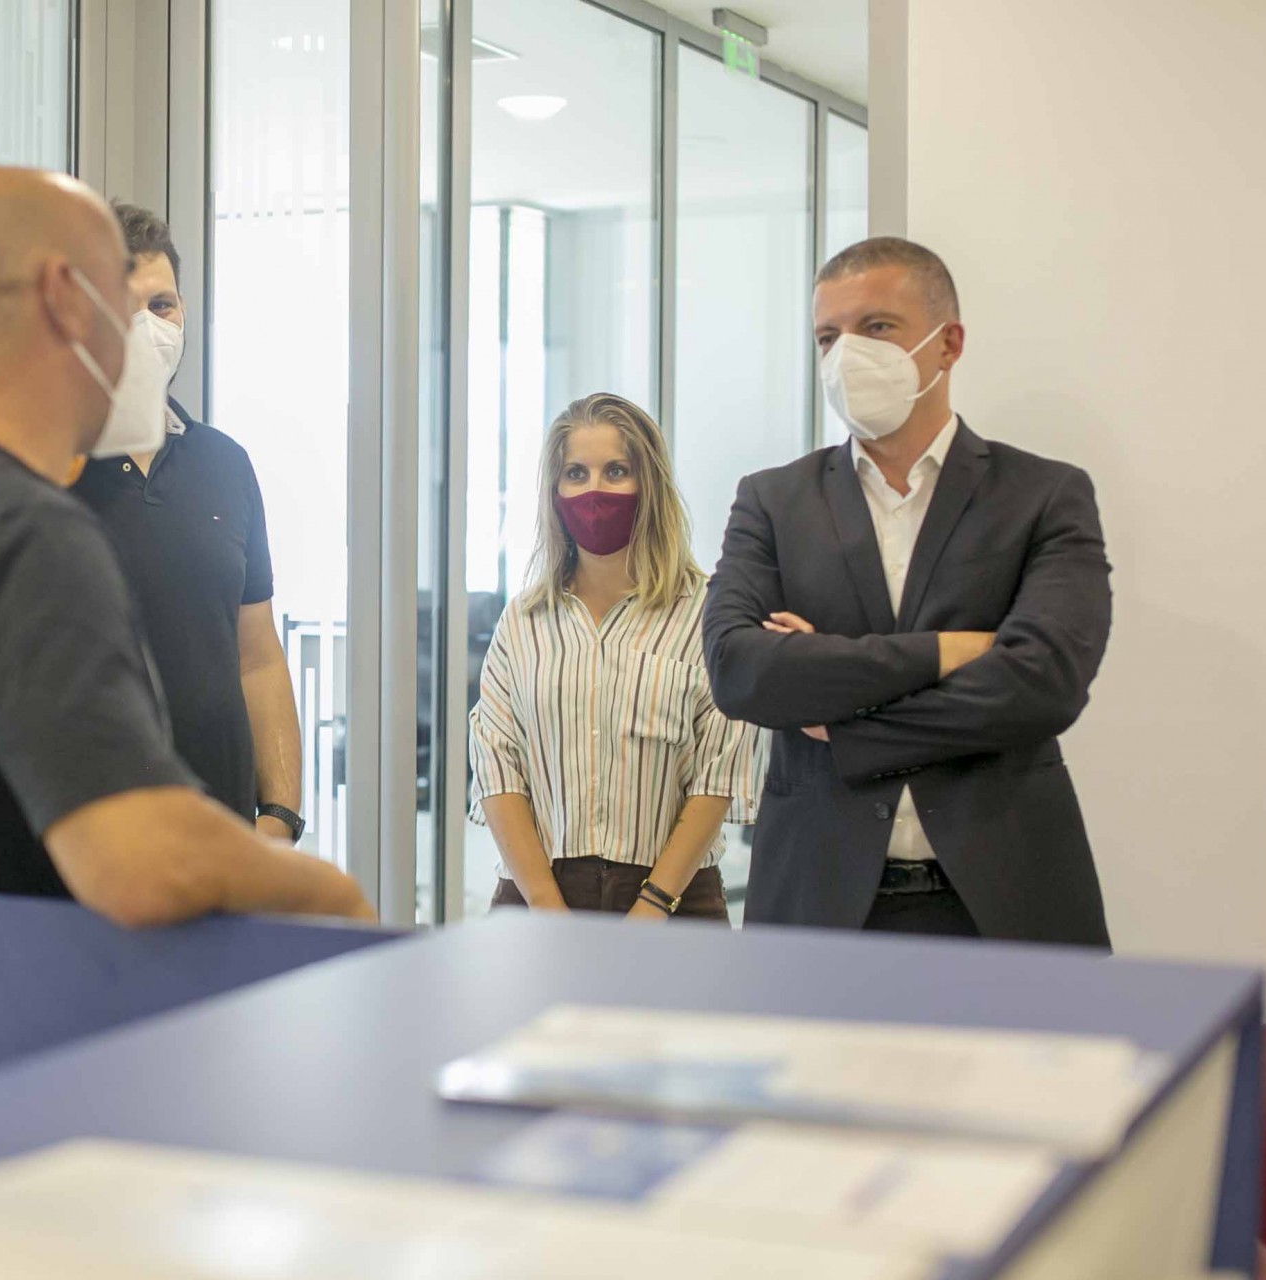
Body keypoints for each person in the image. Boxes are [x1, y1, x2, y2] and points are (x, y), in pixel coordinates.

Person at [0, 167, 373, 1124]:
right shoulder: (16, 530)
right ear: (62, 295)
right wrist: (326, 897)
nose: (141, 342)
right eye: (120, 307)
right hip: (0, 1126)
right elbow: (142, 862)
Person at [702, 237, 1112, 946]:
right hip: (818, 900)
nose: (846, 355)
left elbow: (1043, 684)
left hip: (1006, 900)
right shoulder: (773, 501)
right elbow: (739, 671)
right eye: (827, 337)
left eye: (876, 327)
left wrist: (845, 721)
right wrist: (951, 652)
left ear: (948, 343)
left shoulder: (1043, 495)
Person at [469, 394, 763, 921]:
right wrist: (546, 906)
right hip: (536, 895)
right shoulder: (523, 621)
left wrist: (653, 905)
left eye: (616, 471)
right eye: (576, 473)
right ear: (555, 490)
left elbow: (718, 773)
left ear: (649, 484)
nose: (594, 490)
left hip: (676, 900)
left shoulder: (707, 614)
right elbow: (497, 768)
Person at [69, 203, 304, 843]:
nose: (149, 327)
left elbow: (257, 656)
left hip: (222, 835)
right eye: (125, 308)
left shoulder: (225, 463)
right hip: (90, 848)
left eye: (162, 305)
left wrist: (279, 817)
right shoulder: (47, 470)